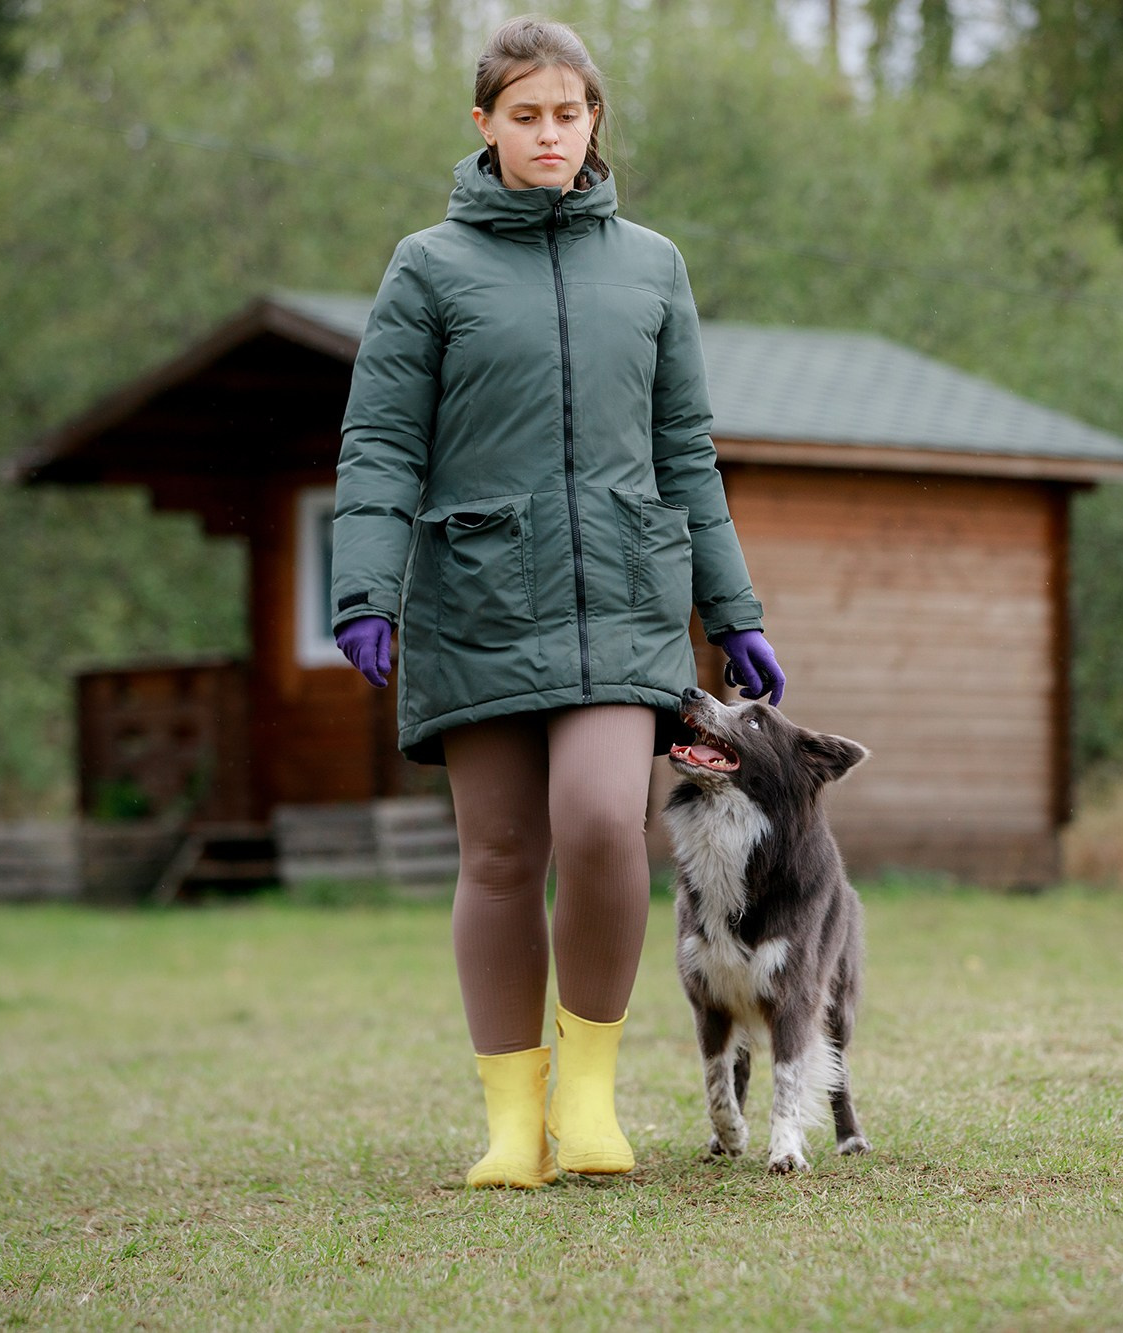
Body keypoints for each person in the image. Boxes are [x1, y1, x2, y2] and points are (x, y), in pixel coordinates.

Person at [329, 15, 786, 1189]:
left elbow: (685, 450)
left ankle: (588, 1102)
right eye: (523, 115)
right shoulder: (425, 267)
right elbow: (380, 442)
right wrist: (364, 587)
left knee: (598, 825)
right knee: (496, 856)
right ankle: (509, 1120)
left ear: (593, 123)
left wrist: (730, 610)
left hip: (624, 597)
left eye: (566, 113)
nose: (548, 134)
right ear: (483, 125)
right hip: (475, 595)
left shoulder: (652, 266)